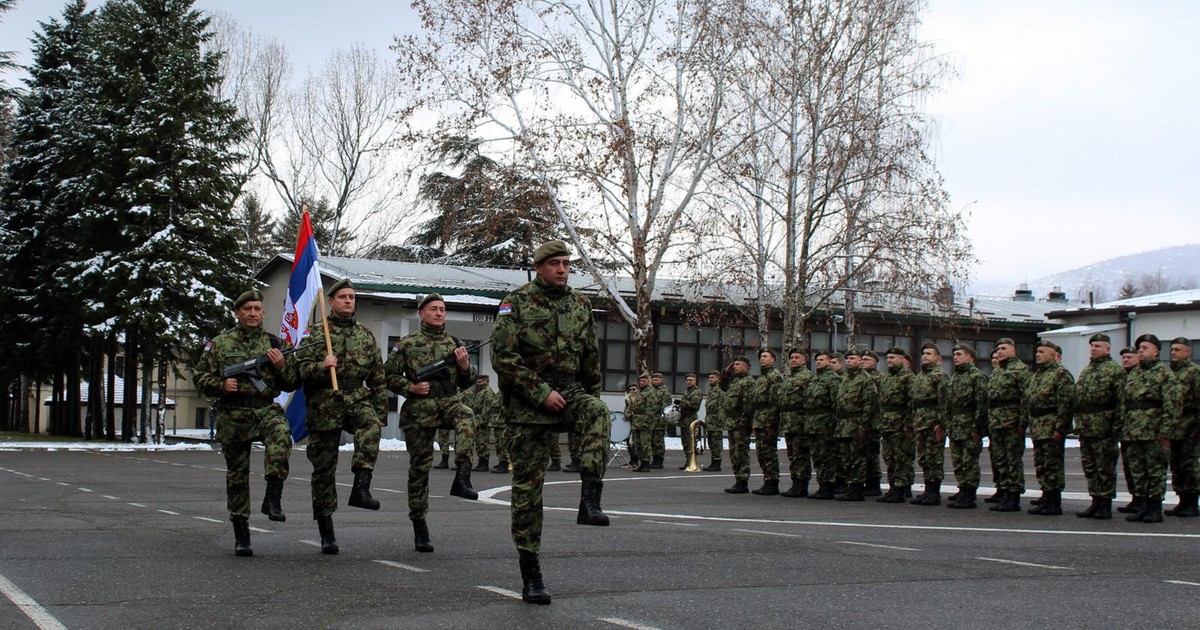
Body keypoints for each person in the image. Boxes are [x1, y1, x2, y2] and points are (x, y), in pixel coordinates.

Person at [489, 240, 612, 605]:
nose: (562, 269)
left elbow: (591, 359)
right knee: (528, 491)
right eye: (555, 264)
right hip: (529, 405)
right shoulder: (517, 302)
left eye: (566, 264)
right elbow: (504, 358)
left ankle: (590, 500)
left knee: (598, 413)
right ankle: (531, 572)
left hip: (571, 393)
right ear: (539, 267)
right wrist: (541, 392)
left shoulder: (580, 305)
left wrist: (590, 400)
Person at [192, 289, 297, 557]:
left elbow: (293, 382)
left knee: (282, 438)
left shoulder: (274, 343)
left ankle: (272, 498)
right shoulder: (220, 344)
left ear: (263, 312)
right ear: (237, 313)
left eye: (257, 309)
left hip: (265, 409)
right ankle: (241, 532)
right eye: (247, 308)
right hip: (234, 413)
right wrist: (220, 384)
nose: (253, 313)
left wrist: (282, 365)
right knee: (237, 475)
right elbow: (200, 376)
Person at [296, 278, 387, 555]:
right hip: (325, 402)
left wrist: (381, 412)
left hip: (356, 398)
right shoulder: (315, 334)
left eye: (352, 297)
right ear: (331, 302)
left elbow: (377, 377)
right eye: (343, 297)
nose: (349, 301)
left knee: (370, 426)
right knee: (324, 469)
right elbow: (298, 370)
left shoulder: (365, 334)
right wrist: (321, 366)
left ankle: (361, 487)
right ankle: (326, 528)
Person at [385, 293, 480, 553]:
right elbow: (388, 375)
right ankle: (419, 525)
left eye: (442, 309)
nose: (439, 313)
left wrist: (463, 365)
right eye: (434, 309)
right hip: (419, 409)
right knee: (420, 469)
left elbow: (466, 381)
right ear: (422, 313)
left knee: (466, 415)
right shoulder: (406, 344)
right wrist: (410, 386)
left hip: (448, 401)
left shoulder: (455, 343)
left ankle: (462, 475)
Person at [1121, 334, 1176, 523]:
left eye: (1145, 347)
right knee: (1138, 470)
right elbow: (1125, 402)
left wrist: (1166, 432)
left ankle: (1155, 508)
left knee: (1155, 471)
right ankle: (1142, 505)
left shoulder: (1165, 373)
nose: (1141, 350)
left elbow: (1172, 405)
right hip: (1133, 430)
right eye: (1139, 348)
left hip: (1153, 431)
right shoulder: (1134, 373)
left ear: (1156, 351)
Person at [1073, 333, 1124, 520]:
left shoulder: (1114, 370)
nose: (1094, 349)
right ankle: (1095, 501)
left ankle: (1105, 504)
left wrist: (1116, 428)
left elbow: (1121, 402)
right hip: (1087, 427)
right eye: (1092, 345)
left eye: (1098, 346)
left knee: (1105, 468)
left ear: (1108, 349)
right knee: (1091, 467)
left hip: (1104, 427)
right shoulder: (1088, 370)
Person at [1024, 340, 1075, 516]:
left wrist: (1060, 429)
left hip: (1051, 425)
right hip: (1038, 426)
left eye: (1042, 351)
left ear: (1053, 355)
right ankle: (1046, 497)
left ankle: (1054, 502)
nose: (1038, 354)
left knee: (1052, 465)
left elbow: (1066, 404)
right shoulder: (1038, 374)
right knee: (1041, 464)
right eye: (1037, 351)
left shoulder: (1061, 374)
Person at [985, 338, 1030, 512]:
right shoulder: (997, 372)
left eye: (1003, 348)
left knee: (1012, 461)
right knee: (1000, 460)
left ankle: (1013, 496)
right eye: (998, 349)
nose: (1000, 351)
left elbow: (1025, 399)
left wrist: (1022, 423)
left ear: (1013, 351)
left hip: (1012, 423)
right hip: (997, 423)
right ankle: (1003, 491)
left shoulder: (1021, 370)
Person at [944, 343, 988, 509]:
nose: (955, 357)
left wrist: (978, 428)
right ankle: (962, 488)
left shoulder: (976, 377)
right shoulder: (956, 377)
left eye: (960, 354)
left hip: (969, 426)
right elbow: (949, 404)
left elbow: (981, 405)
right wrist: (948, 423)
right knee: (958, 461)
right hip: (956, 427)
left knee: (969, 461)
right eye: (954, 354)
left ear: (970, 357)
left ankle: (969, 494)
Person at [910, 342, 948, 506]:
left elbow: (944, 402)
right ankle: (927, 490)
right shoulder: (920, 376)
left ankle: (934, 492)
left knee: (934, 458)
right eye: (924, 353)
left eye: (929, 354)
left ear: (937, 358)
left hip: (933, 423)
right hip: (921, 422)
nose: (925, 356)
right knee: (924, 458)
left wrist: (941, 424)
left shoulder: (939, 376)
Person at [1166, 337, 1200, 517]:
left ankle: (1192, 502)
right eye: (1172, 349)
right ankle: (1182, 500)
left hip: (1190, 424)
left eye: (1178, 350)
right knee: (1176, 464)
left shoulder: (1194, 372)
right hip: (1174, 425)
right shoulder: (1171, 373)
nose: (1173, 353)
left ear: (1188, 352)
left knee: (1189, 464)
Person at [876, 347, 914, 503]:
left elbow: (911, 403)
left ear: (901, 359)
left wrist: (908, 424)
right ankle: (892, 487)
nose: (889, 360)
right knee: (889, 458)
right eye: (888, 357)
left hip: (900, 424)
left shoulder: (907, 378)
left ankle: (901, 489)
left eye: (893, 357)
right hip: (887, 424)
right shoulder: (886, 378)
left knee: (901, 458)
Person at [805, 350, 842, 500]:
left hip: (826, 424)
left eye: (822, 359)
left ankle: (828, 486)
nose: (818, 362)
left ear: (829, 361)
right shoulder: (815, 379)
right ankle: (822, 485)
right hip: (814, 424)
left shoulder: (833, 379)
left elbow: (836, 404)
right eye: (817, 359)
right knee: (818, 456)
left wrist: (833, 424)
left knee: (827, 456)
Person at [778, 347, 813, 497]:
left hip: (800, 421)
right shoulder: (790, 378)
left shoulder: (806, 377)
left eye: (797, 357)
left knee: (801, 454)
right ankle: (796, 482)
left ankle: (802, 484)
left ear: (805, 360)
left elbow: (809, 400)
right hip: (789, 421)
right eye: (791, 357)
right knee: (793, 455)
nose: (793, 360)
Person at [750, 349, 784, 495]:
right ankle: (767, 480)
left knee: (769, 452)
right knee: (761, 452)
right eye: (761, 357)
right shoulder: (762, 378)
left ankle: (772, 482)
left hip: (768, 419)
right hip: (759, 419)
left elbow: (775, 402)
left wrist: (772, 423)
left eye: (765, 356)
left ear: (773, 359)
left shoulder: (774, 376)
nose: (762, 359)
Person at [723, 355, 755, 494]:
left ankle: (743, 481)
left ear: (747, 367)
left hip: (740, 423)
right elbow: (723, 387)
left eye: (738, 364)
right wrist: (726, 373)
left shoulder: (748, 382)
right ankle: (738, 479)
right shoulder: (735, 381)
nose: (735, 366)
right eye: (734, 364)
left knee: (741, 453)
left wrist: (744, 423)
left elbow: (748, 405)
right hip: (732, 423)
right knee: (734, 453)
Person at [1116, 345, 1141, 514]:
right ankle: (1135, 498)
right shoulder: (1122, 377)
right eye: (1124, 357)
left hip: (1141, 428)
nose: (1125, 360)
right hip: (1126, 427)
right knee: (1129, 465)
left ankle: (1142, 500)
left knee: (1140, 467)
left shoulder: (1140, 376)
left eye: (1129, 357)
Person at [860, 350, 884, 496]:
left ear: (875, 362)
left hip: (874, 421)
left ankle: (874, 483)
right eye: (862, 359)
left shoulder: (879, 378)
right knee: (863, 453)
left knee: (872, 454)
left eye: (867, 359)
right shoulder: (861, 378)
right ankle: (866, 481)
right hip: (862, 420)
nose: (863, 362)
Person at [468, 375, 504, 473]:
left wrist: (482, 421)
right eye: (478, 382)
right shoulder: (480, 392)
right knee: (480, 443)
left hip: (483, 422)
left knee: (483, 443)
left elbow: (486, 409)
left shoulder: (487, 392)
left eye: (481, 382)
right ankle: (481, 462)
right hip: (479, 420)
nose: (479, 383)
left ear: (487, 381)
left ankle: (484, 464)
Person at [628, 374, 655, 472]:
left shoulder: (650, 393)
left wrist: (646, 422)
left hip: (645, 423)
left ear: (648, 381)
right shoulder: (640, 393)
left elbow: (650, 410)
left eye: (644, 381)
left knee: (645, 444)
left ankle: (646, 463)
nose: (641, 383)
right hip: (637, 422)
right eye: (640, 381)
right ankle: (641, 463)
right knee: (637, 444)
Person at [677, 373, 704, 470]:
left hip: (690, 419)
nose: (689, 382)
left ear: (695, 381)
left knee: (691, 441)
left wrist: (681, 403)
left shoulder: (696, 392)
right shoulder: (686, 391)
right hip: (684, 419)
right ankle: (688, 461)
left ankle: (692, 461)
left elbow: (694, 405)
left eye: (691, 380)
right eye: (687, 380)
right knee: (685, 442)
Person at [703, 371, 726, 471]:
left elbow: (722, 406)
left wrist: (720, 421)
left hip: (716, 421)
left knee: (716, 442)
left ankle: (717, 463)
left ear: (718, 379)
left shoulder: (720, 390)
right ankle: (713, 462)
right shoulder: (711, 390)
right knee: (711, 442)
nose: (710, 379)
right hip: (710, 420)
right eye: (709, 377)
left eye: (712, 377)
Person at [649, 372, 671, 468]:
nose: (654, 382)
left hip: (659, 421)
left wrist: (662, 421)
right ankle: (654, 459)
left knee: (658, 442)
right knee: (653, 441)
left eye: (656, 380)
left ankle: (659, 460)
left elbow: (666, 408)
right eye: (653, 380)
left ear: (661, 380)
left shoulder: (664, 392)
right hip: (651, 420)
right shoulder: (652, 391)